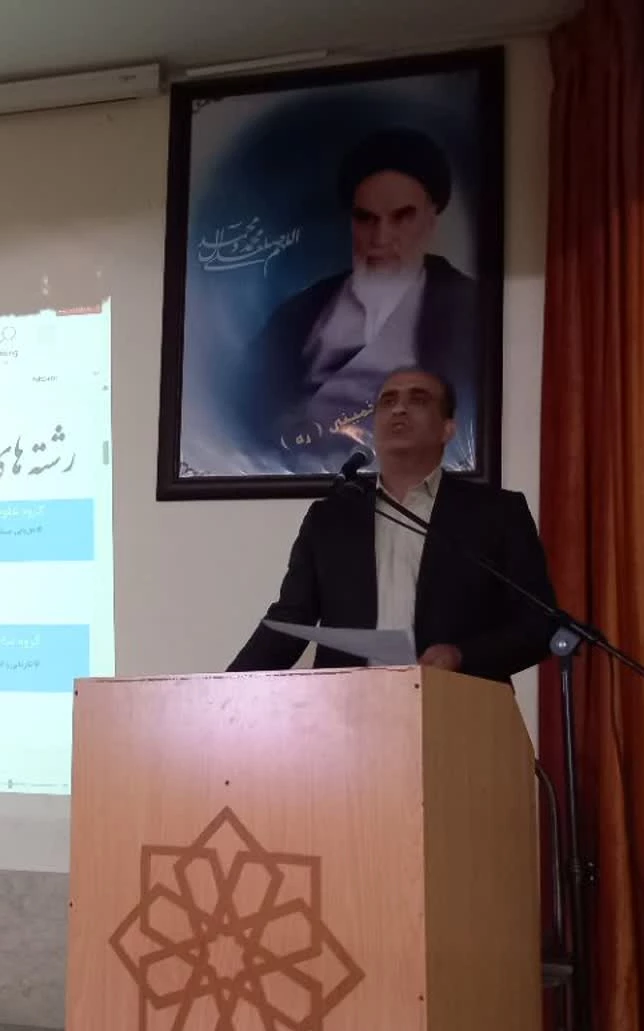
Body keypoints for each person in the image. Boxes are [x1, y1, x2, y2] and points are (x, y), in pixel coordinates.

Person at [228, 367, 554, 682]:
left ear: (447, 429)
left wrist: (462, 656)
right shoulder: (330, 517)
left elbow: (540, 625)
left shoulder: (497, 513)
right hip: (349, 707)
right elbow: (290, 620)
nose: (399, 408)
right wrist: (220, 693)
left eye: (418, 399)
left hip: (457, 704)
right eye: (388, 401)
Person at [236, 128, 477, 472]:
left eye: (402, 217)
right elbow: (250, 405)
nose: (381, 238)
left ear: (431, 219)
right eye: (366, 219)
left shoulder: (468, 310)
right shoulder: (297, 315)